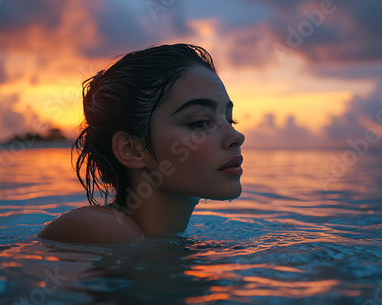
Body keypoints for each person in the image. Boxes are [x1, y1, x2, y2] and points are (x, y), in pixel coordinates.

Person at [38, 44, 245, 243]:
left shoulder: (156, 243)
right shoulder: (103, 229)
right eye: (199, 123)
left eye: (229, 119)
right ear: (130, 150)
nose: (236, 136)